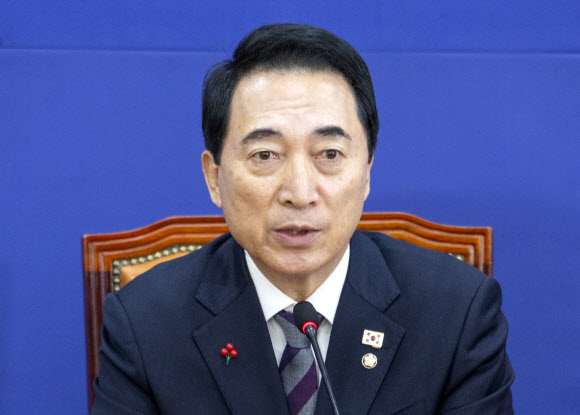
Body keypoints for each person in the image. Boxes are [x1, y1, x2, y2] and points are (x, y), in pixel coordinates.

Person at [91, 24, 515, 415]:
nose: (299, 192)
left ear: (367, 172)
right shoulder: (145, 324)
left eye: (329, 154)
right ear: (214, 178)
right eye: (265, 155)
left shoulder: (455, 312)